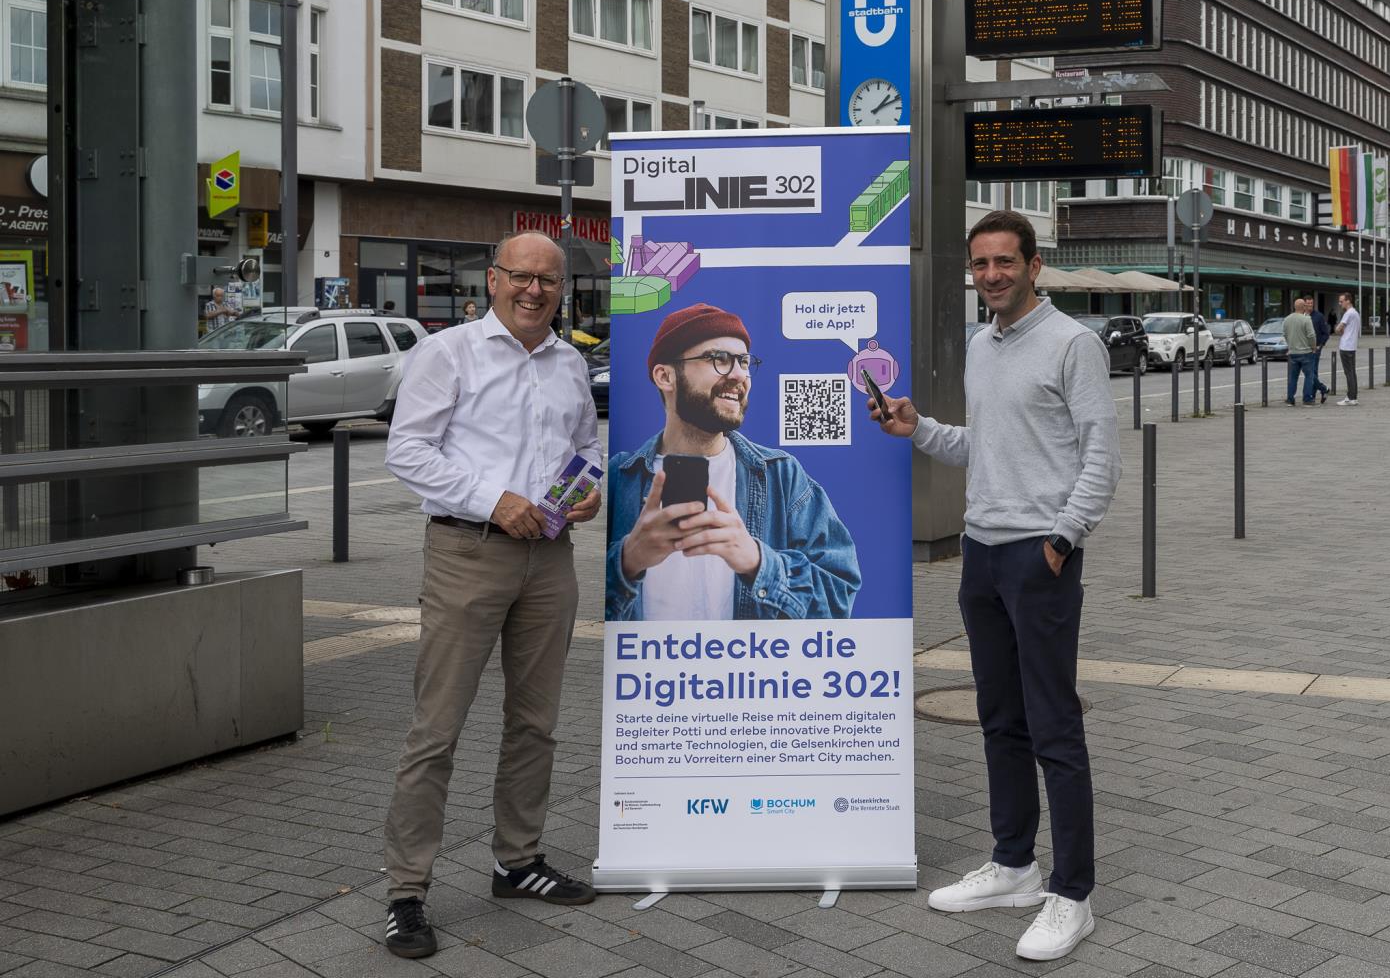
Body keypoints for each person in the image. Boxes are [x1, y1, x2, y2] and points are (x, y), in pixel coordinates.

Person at [868, 209, 1118, 962]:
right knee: (1000, 719)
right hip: (980, 554)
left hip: (1039, 559)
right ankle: (1014, 865)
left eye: (1005, 262)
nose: (992, 275)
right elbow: (989, 445)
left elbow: (1101, 457)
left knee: (1054, 726)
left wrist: (1062, 540)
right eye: (980, 264)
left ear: (1034, 265)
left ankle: (1072, 894)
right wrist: (918, 428)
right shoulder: (982, 345)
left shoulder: (1073, 343)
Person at [379, 232, 602, 960]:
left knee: (535, 724)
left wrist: (588, 487)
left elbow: (587, 445)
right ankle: (406, 891)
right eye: (520, 276)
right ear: (494, 280)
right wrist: (492, 499)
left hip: (551, 558)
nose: (534, 290)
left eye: (548, 280)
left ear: (561, 289)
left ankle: (518, 861)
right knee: (437, 729)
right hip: (468, 553)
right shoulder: (448, 353)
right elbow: (407, 450)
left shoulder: (569, 362)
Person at [606, 303, 860, 621]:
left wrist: (758, 562)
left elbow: (839, 595)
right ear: (665, 376)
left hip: (745, 657)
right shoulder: (620, 478)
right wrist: (627, 560)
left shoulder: (781, 476)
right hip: (649, 656)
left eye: (744, 362)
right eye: (720, 359)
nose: (740, 375)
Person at [1283, 297, 1318, 406]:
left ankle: (1290, 399)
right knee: (1309, 376)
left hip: (1293, 352)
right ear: (1303, 307)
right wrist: (1313, 347)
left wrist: (1290, 345)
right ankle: (1307, 399)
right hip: (1306, 352)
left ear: (1294, 307)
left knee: (1293, 377)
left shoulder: (1287, 319)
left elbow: (1285, 334)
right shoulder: (1306, 319)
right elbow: (1311, 335)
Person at [1335, 292, 1362, 405]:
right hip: (1352, 345)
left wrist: (1337, 329)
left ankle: (1351, 397)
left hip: (1346, 346)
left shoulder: (1348, 313)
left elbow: (1338, 328)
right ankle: (1352, 396)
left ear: (1348, 301)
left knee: (1348, 373)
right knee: (1352, 372)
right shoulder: (1355, 313)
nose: (1340, 303)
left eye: (1341, 301)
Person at [1308, 299, 1331, 403]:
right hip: (1303, 349)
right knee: (1308, 372)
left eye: (1311, 303)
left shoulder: (1318, 316)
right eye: (1307, 303)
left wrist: (1320, 345)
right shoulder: (1301, 316)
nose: (1310, 305)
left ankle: (1312, 396)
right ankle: (1323, 389)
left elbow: (1325, 333)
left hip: (1315, 349)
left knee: (1313, 372)